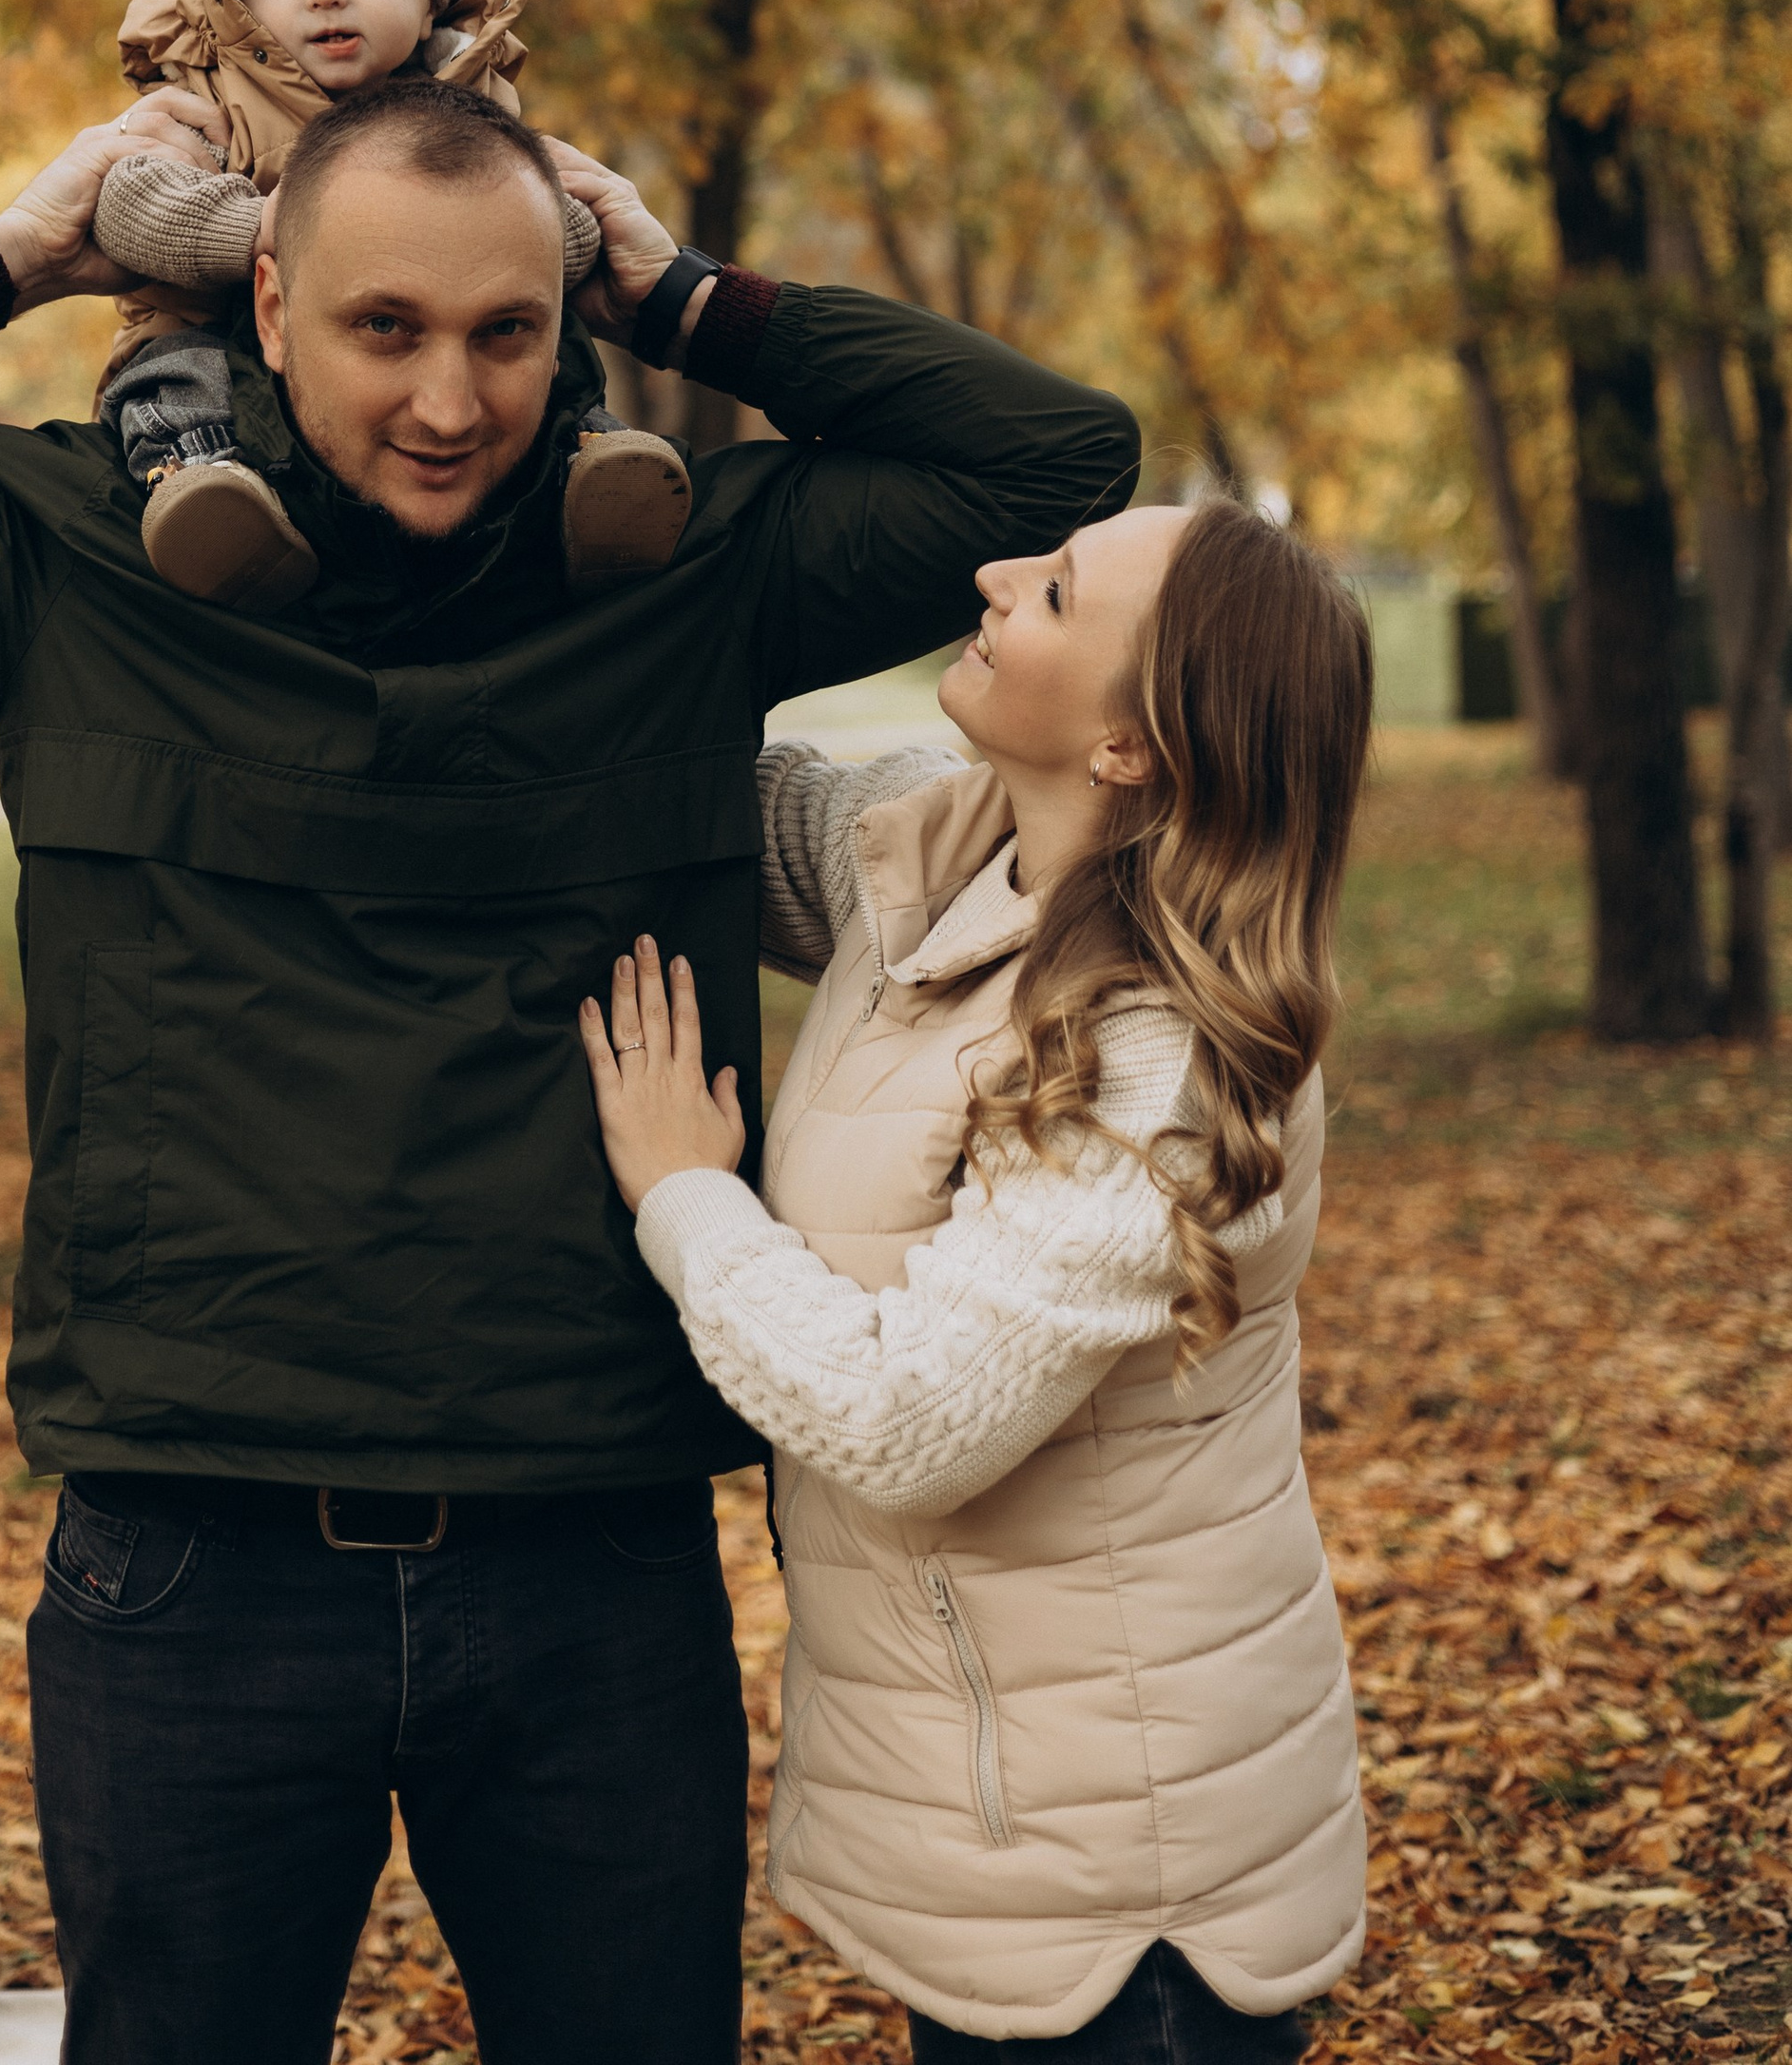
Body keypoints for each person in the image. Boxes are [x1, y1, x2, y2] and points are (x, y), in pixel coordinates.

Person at [0, 74, 1140, 2065]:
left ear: (563, 329)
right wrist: (25, 247)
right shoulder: (68, 557)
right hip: (194, 1560)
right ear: (263, 314)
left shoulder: (681, 576)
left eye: (506, 332)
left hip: (587, 1546)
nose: (447, 401)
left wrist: (681, 292)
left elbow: (1053, 456)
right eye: (380, 328)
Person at [582, 499, 1371, 2059]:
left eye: (1059, 590)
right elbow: (684, 782)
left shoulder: (1166, 1067)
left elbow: (909, 1422)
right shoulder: (945, 857)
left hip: (1131, 1898)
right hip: (1013, 1835)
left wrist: (681, 1190)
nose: (998, 577)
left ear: (1133, 746)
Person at [89, 0, 687, 604]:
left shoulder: (473, 94)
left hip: (422, 352)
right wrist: (265, 228)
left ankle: (595, 470)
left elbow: (564, 214)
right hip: (214, 326)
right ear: (238, 0)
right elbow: (131, 208)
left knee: (549, 352)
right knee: (173, 377)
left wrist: (556, 237)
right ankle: (209, 501)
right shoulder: (207, 93)